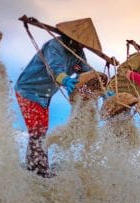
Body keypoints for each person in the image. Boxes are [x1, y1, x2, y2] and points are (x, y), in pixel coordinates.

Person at [14, 18, 101, 178]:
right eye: (80, 42)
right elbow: (54, 69)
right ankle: (39, 169)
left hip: (45, 95)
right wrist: (65, 79)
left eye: (84, 44)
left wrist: (99, 90)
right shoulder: (55, 47)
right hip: (28, 89)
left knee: (40, 130)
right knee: (38, 131)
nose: (82, 46)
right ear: (71, 37)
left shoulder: (77, 54)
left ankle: (35, 166)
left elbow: (84, 72)